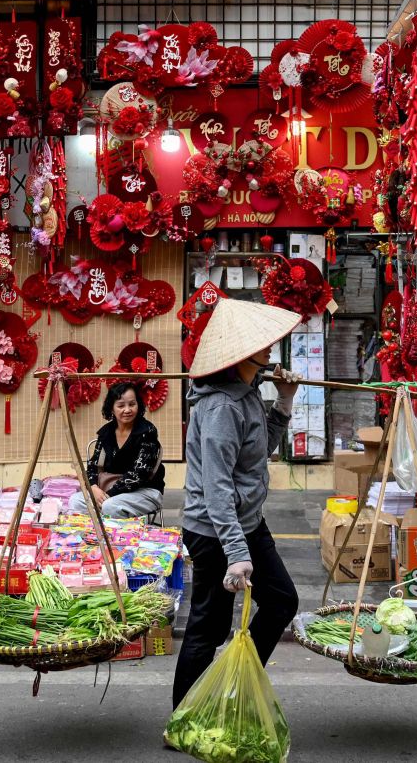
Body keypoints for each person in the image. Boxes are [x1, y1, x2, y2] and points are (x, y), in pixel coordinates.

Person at [172, 299, 302, 708]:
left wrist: (284, 401)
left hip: (246, 522)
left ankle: (233, 683)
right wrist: (235, 553)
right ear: (238, 355)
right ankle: (184, 716)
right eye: (259, 344)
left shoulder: (246, 396)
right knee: (207, 628)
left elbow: (261, 451)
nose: (269, 349)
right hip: (214, 531)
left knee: (281, 600)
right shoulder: (221, 407)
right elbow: (216, 489)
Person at [69, 381, 165, 519]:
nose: (127, 410)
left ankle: (116, 539)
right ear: (112, 409)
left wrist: (108, 495)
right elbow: (92, 467)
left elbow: (139, 474)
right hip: (107, 490)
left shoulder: (147, 431)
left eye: (132, 404)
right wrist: (94, 489)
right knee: (76, 501)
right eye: (121, 405)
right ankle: (92, 538)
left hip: (144, 491)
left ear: (138, 405)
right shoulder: (106, 433)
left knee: (110, 506)